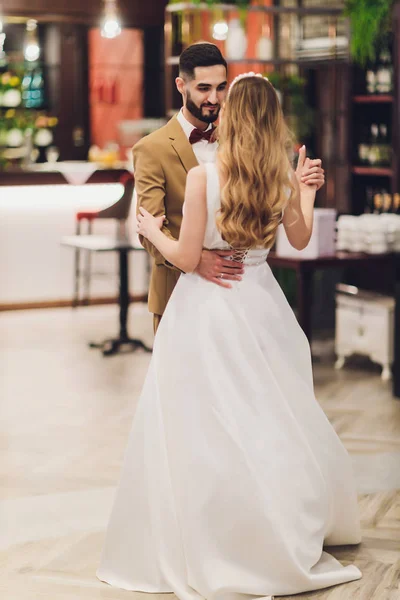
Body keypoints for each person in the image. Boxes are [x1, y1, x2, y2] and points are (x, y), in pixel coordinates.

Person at [96, 72, 362, 600]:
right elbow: (301, 239)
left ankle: (217, 532)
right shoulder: (279, 174)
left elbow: (189, 259)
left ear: (233, 115)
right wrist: (306, 192)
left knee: (205, 430)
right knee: (269, 419)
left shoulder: (203, 177)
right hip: (262, 305)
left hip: (206, 316)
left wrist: (154, 231)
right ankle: (274, 524)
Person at [133, 43, 324, 334]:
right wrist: (196, 261)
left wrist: (299, 189)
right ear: (181, 85)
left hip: (247, 294)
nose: (214, 98)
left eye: (222, 88)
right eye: (204, 88)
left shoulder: (250, 147)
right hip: (178, 295)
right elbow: (148, 228)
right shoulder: (151, 149)